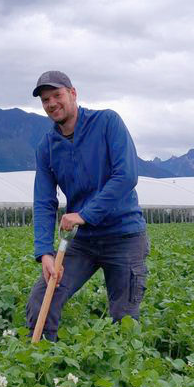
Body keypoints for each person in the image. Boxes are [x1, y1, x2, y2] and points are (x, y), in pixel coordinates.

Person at [26, 70, 149, 340]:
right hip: (83, 241)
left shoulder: (107, 122)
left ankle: (125, 375)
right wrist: (44, 252)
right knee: (41, 302)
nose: (51, 104)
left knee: (125, 319)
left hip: (124, 235)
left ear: (73, 93)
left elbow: (126, 175)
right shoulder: (47, 147)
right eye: (45, 100)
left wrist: (84, 214)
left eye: (56, 95)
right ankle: (43, 370)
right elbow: (44, 202)